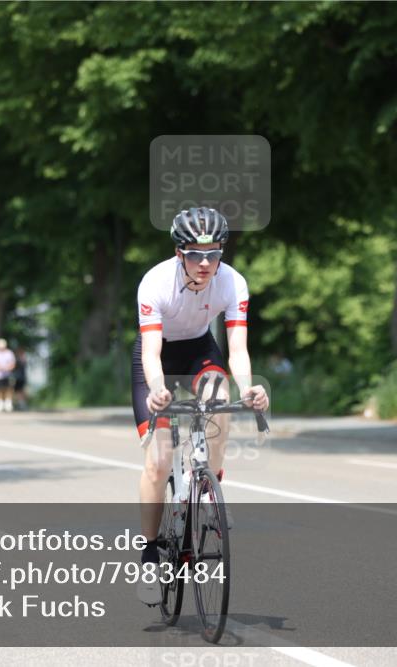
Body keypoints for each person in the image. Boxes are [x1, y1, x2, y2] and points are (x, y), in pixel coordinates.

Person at [132, 207, 269, 605]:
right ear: (179, 253)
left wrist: (249, 388)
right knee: (158, 462)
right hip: (157, 358)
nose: (206, 262)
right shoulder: (155, 283)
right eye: (195, 254)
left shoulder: (232, 282)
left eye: (214, 252)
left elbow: (238, 349)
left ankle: (210, 483)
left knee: (221, 397)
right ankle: (150, 552)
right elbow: (151, 352)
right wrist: (158, 389)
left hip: (198, 350)